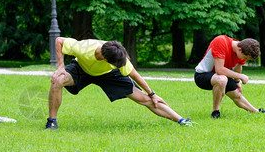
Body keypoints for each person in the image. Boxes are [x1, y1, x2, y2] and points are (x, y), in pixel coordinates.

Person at [45, 37, 194, 130]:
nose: (120, 65)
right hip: (82, 68)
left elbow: (135, 74)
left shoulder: (119, 59)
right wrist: (60, 67)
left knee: (145, 99)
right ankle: (52, 122)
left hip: (109, 75)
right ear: (105, 58)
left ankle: (181, 120)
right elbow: (59, 41)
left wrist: (152, 93)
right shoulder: (84, 48)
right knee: (57, 81)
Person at [194, 35, 265, 118]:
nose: (245, 60)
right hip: (202, 76)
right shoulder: (221, 41)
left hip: (221, 77)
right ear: (240, 50)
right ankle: (215, 112)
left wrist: (237, 83)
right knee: (222, 79)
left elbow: (238, 67)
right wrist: (241, 76)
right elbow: (219, 70)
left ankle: (257, 112)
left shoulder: (241, 49)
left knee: (237, 95)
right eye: (245, 57)